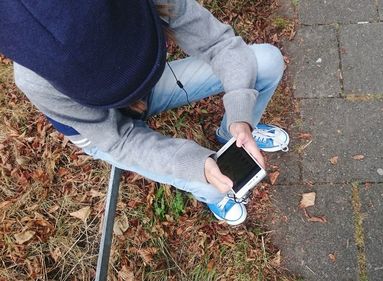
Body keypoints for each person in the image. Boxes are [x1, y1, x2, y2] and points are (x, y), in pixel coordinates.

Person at [0, 0, 289, 225]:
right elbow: (119, 140)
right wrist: (196, 165)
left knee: (267, 62)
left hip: (151, 82)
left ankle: (231, 136)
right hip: (103, 129)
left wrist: (240, 115)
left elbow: (219, 43)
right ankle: (212, 196)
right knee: (214, 183)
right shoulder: (34, 79)